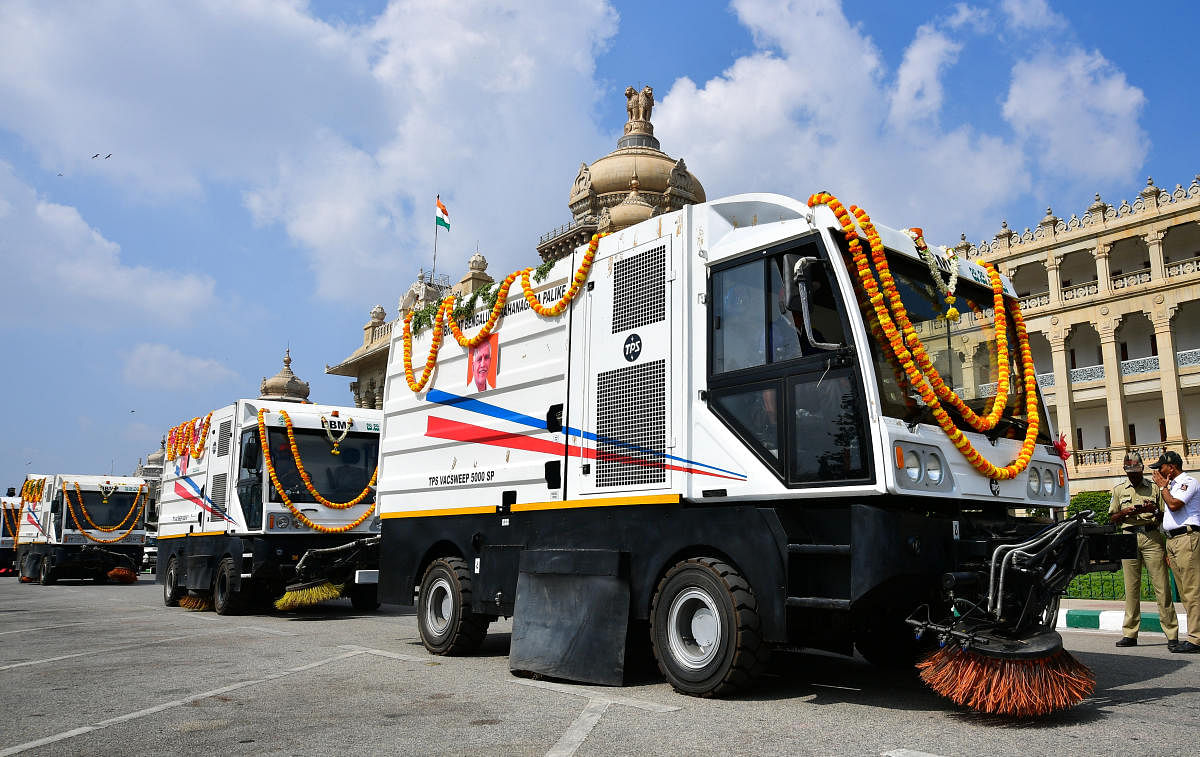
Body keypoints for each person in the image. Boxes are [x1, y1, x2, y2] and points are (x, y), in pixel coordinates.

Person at [1109, 451, 1179, 650]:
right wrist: (1125, 512)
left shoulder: (1154, 488)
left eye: (1136, 471)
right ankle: (1130, 633)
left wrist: (1153, 510)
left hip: (1151, 536)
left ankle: (1172, 634)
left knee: (1162, 586)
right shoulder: (1118, 490)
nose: (1133, 475)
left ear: (1141, 469)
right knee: (1131, 588)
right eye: (1130, 472)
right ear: (1125, 471)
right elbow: (1112, 518)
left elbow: (1164, 515)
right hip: (1127, 536)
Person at [1150, 450, 1200, 653]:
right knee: (1184, 591)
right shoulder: (1172, 486)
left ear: (1171, 467)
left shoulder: (1188, 481)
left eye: (1160, 468)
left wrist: (1163, 487)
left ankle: (1196, 639)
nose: (1158, 472)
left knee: (1192, 590)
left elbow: (1175, 504)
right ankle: (1195, 635)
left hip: (1187, 538)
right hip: (1174, 540)